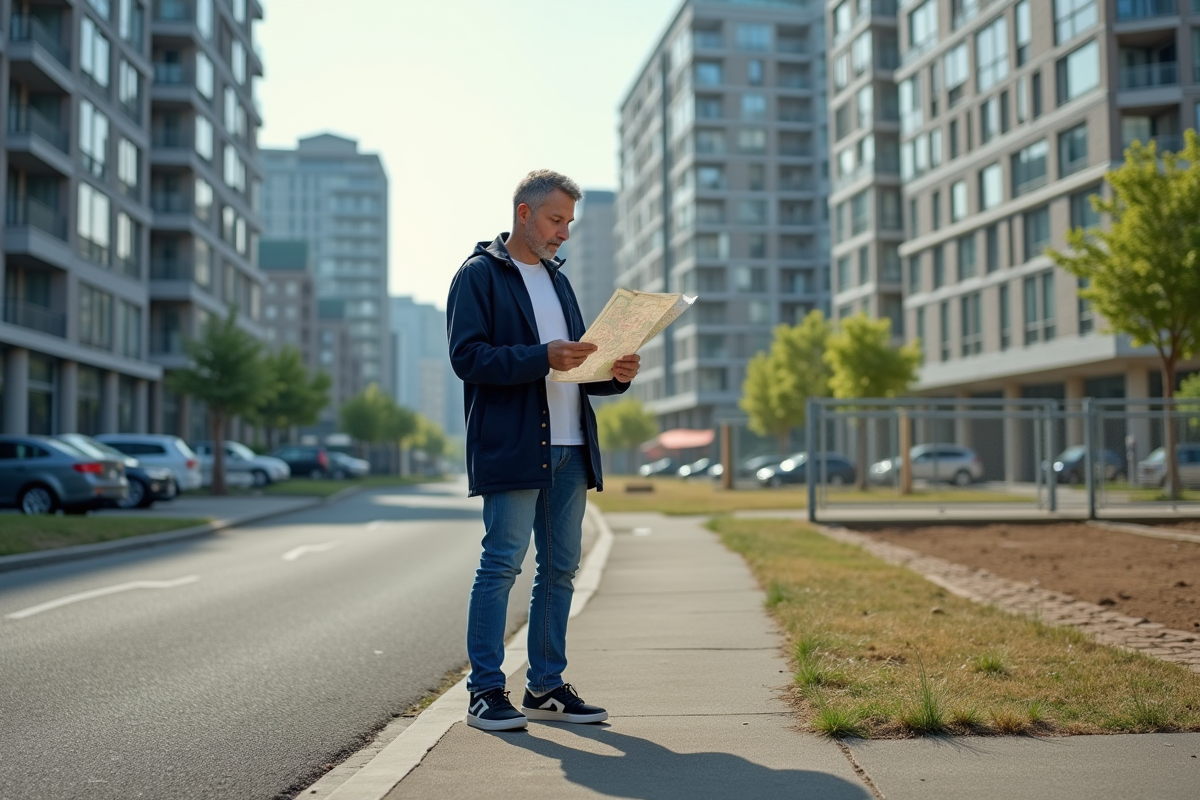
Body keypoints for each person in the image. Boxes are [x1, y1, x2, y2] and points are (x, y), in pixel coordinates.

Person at [447, 170, 641, 732]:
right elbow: (468, 358)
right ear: (524, 214)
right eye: (556, 220)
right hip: (514, 445)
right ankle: (485, 691)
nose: (564, 233)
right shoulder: (478, 275)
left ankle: (546, 686)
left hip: (572, 446)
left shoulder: (560, 282)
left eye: (569, 223)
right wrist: (541, 356)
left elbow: (577, 367)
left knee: (559, 570)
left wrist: (616, 374)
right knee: (501, 564)